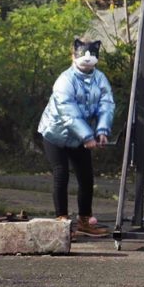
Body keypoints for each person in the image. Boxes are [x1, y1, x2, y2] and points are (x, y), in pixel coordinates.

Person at [37, 38, 114, 237]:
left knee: (87, 178)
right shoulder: (65, 80)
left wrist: (102, 131)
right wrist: (88, 135)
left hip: (79, 137)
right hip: (56, 134)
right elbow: (68, 112)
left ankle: (84, 220)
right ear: (74, 55)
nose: (87, 60)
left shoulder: (100, 78)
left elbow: (106, 104)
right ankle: (61, 223)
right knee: (61, 173)